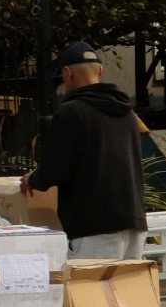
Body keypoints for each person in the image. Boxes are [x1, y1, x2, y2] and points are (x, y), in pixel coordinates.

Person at [21, 42, 148, 258]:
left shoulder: (71, 113)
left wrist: (31, 180)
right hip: (134, 223)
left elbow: (54, 170)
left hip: (95, 227)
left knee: (90, 291)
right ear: (100, 70)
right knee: (126, 291)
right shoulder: (127, 113)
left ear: (67, 73)